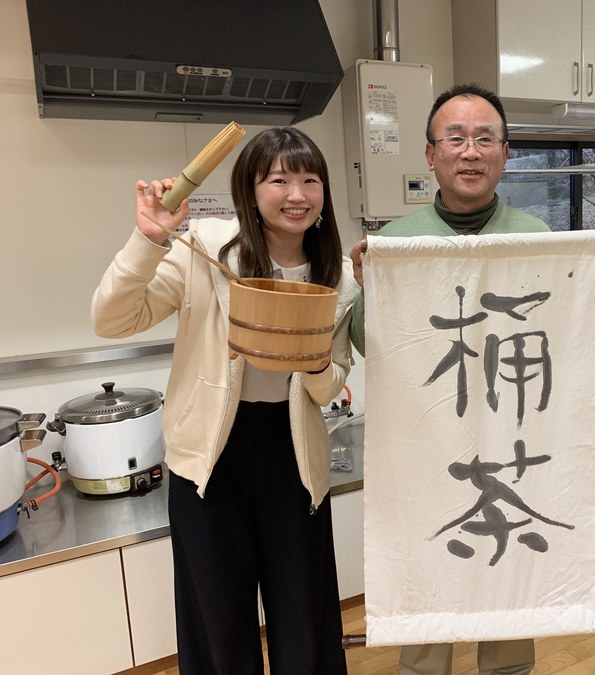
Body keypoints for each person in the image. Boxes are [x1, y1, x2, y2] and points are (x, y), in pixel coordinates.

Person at [92, 127, 357, 674]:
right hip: (209, 459)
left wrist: (315, 364)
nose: (297, 195)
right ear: (250, 192)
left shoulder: (339, 276)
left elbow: (330, 387)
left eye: (310, 180)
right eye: (278, 180)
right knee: (218, 627)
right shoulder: (205, 251)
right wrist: (148, 240)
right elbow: (112, 320)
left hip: (294, 458)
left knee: (304, 619)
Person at [348, 83, 548, 675]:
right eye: (455, 138)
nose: (470, 151)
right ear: (430, 154)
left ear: (505, 153)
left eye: (485, 138)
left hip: (513, 439)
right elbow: (367, 343)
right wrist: (367, 288)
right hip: (426, 445)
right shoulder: (396, 241)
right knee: (427, 573)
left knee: (506, 567)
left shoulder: (539, 238)